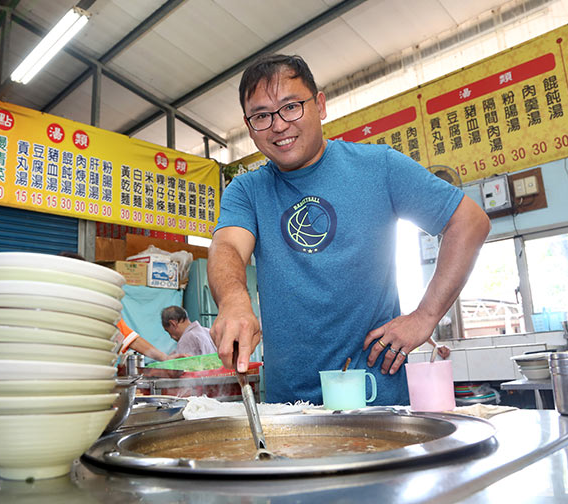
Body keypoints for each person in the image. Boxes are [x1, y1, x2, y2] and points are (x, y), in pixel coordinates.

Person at [207, 54, 490, 406]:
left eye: (291, 106)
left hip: (378, 401)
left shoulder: (378, 167)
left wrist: (426, 315)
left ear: (320, 105)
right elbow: (228, 248)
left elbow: (470, 221)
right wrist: (234, 300)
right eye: (262, 115)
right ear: (250, 128)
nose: (278, 125)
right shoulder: (247, 190)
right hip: (289, 410)